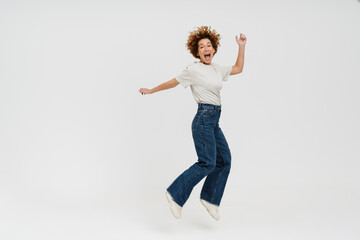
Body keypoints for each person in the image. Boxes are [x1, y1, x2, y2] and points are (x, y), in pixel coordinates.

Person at [139, 26, 246, 220]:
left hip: (214, 121)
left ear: (213, 50)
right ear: (197, 52)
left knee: (224, 161)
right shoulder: (193, 69)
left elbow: (238, 68)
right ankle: (175, 194)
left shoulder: (217, 69)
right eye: (201, 46)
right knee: (207, 163)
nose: (206, 48)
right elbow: (173, 82)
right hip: (203, 118)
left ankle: (210, 199)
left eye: (209, 45)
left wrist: (241, 46)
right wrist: (152, 90)